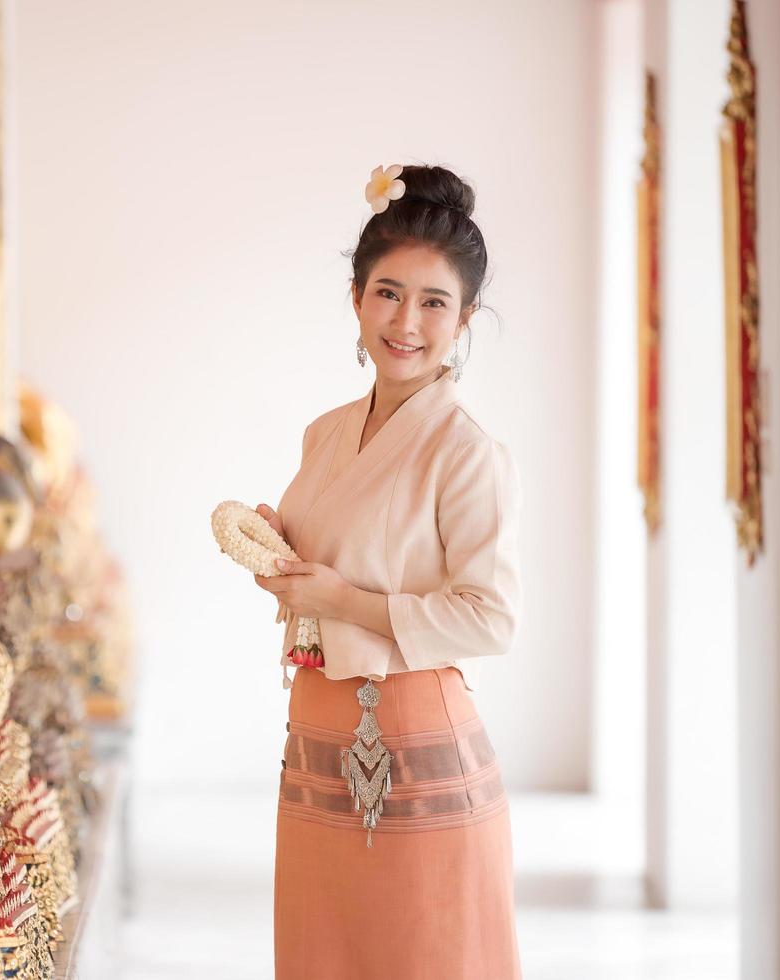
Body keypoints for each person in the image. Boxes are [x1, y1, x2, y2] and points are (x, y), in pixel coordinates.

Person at [255, 164, 522, 979]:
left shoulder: (466, 452)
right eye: (387, 293)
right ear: (356, 296)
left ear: (464, 318)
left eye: (433, 303)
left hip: (407, 744)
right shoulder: (325, 433)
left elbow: (490, 618)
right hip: (317, 739)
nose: (406, 322)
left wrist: (343, 599)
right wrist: (279, 554)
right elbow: (329, 570)